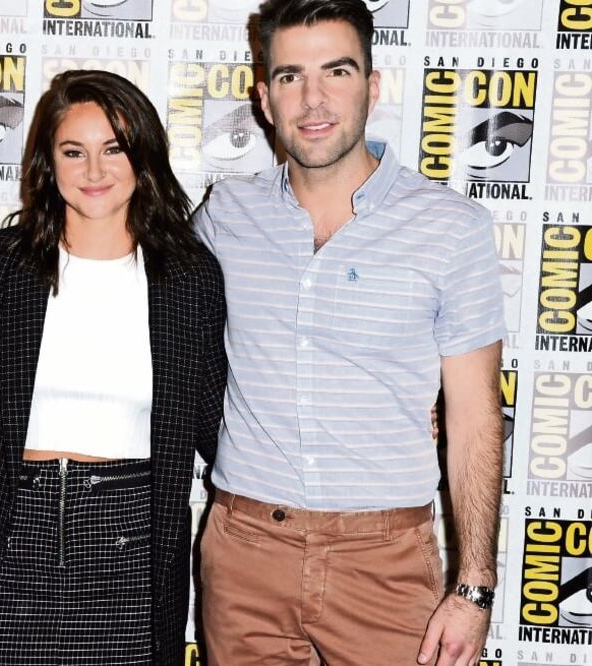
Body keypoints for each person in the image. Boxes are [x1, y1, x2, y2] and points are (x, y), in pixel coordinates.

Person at [196, 2, 505, 665]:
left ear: (372, 83)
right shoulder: (225, 214)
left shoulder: (452, 228)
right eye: (288, 76)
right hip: (243, 554)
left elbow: (475, 416)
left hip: (385, 564)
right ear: (262, 96)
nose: (312, 99)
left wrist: (474, 588)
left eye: (336, 71)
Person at [0, 69, 227, 666]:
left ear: (144, 155)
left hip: (135, 540)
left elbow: (218, 423)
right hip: (8, 534)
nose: (94, 172)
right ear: (49, 162)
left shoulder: (189, 277)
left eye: (114, 149)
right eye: (74, 152)